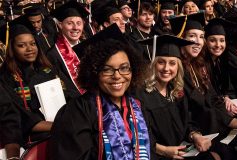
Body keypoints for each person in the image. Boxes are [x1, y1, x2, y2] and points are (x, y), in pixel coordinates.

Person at [169, 12, 237, 160]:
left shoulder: (200, 67)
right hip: (193, 135)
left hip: (211, 129)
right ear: (181, 38)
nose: (198, 41)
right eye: (192, 36)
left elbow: (213, 100)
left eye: (201, 36)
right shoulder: (175, 72)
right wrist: (195, 135)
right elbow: (183, 113)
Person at [48, 26, 150, 160]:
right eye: (107, 70)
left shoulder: (136, 106)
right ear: (94, 73)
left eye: (124, 68)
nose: (117, 76)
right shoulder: (77, 112)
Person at [0, 21, 79, 159]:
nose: (30, 48)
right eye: (21, 45)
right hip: (36, 136)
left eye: (32, 43)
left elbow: (73, 96)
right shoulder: (6, 78)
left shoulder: (49, 70)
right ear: (11, 48)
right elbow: (15, 116)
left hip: (66, 127)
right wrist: (60, 125)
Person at [136, 34, 213, 159]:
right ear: (153, 64)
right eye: (161, 62)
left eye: (172, 63)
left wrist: (195, 135)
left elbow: (187, 120)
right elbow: (140, 136)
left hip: (182, 151)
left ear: (178, 67)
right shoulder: (141, 95)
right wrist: (164, 150)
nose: (166, 68)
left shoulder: (176, 91)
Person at [46, 0, 89, 94]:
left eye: (79, 23)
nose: (75, 28)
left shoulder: (88, 48)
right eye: (70, 23)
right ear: (60, 25)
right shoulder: (52, 55)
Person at [204, 18, 237, 116]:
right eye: (212, 40)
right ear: (205, 41)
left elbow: (226, 89)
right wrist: (223, 99)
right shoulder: (202, 65)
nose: (218, 45)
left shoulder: (221, 61)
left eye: (222, 40)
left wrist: (226, 97)